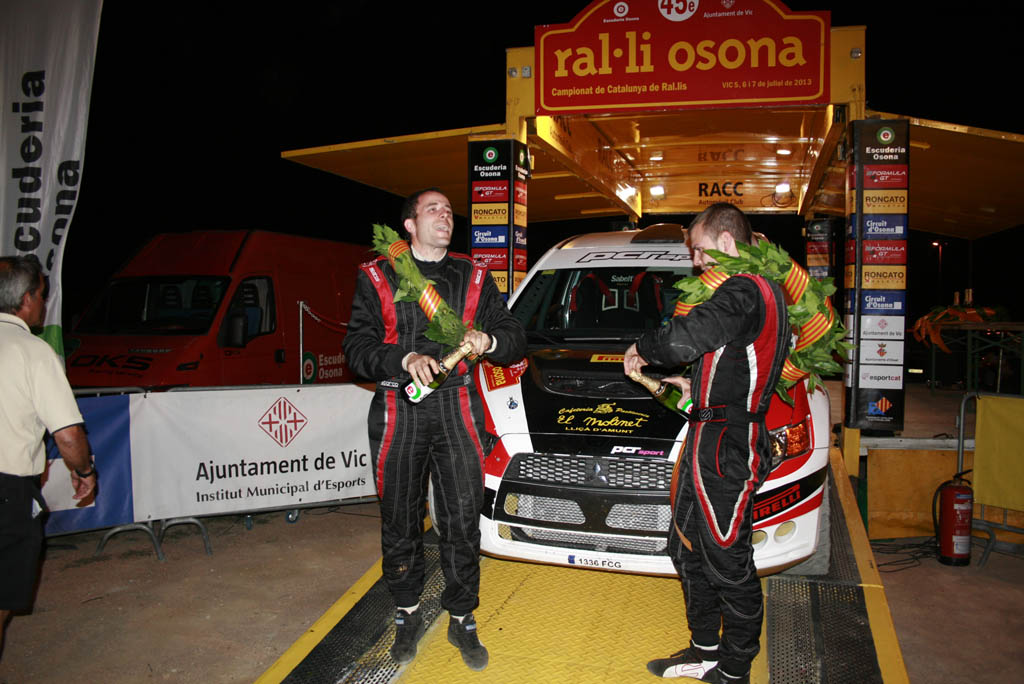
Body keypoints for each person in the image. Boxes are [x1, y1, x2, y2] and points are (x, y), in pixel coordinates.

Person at [343, 188, 525, 671]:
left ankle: (462, 616)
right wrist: (403, 358)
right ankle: (406, 612)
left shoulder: (474, 275)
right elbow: (356, 349)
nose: (445, 216)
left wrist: (490, 340)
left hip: (457, 405)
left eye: (448, 210)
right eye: (433, 210)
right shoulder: (376, 274)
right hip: (397, 404)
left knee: (462, 517)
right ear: (409, 224)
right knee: (399, 517)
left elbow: (514, 334)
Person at [623, 203, 790, 684]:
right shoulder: (753, 292)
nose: (696, 262)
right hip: (711, 436)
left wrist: (643, 348)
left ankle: (735, 670)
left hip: (727, 447)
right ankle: (705, 650)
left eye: (699, 250)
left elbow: (685, 338)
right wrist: (692, 384)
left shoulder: (746, 288)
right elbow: (734, 360)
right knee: (687, 548)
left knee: (727, 561)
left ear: (727, 242)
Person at [0, 255, 96, 653]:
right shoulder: (32, 351)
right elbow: (68, 434)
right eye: (42, 294)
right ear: (26, 300)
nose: (44, 302)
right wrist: (84, 471)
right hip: (7, 490)